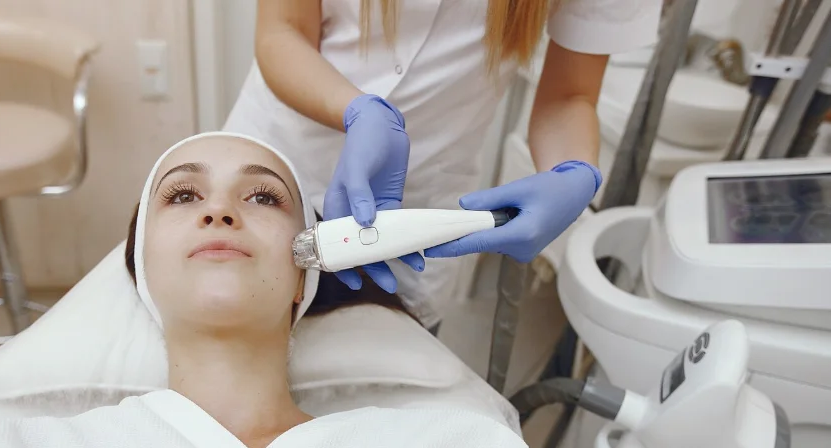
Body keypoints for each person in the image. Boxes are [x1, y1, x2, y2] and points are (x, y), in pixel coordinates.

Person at [0, 132, 616, 448]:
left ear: (304, 273)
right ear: (141, 269)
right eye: (183, 195)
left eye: (262, 197)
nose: (220, 210)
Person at [224, 0, 663, 329]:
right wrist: (356, 110)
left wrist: (574, 174)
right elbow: (283, 31)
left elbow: (571, 94)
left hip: (418, 209)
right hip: (274, 160)